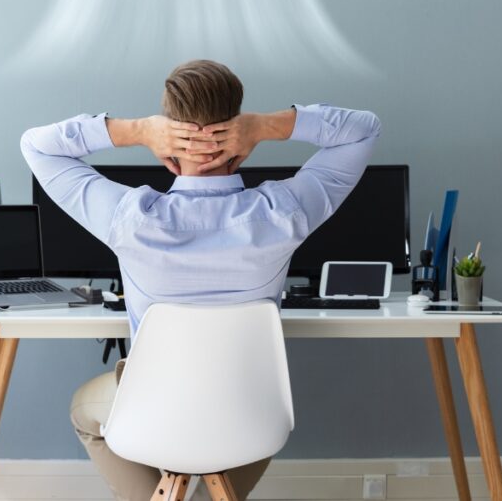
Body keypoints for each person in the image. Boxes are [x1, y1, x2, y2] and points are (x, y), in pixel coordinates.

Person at [20, 59, 381, 501]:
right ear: (241, 139)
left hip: (153, 415)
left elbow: (37, 146)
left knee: (85, 409)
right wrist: (265, 126)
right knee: (257, 412)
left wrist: (137, 131)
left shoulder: (128, 220)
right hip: (248, 415)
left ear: (167, 135)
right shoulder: (283, 213)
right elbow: (364, 129)